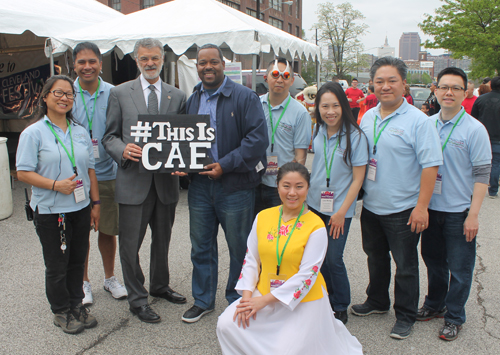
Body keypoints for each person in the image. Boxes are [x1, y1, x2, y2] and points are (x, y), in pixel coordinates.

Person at [216, 162, 363, 354]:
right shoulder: (263, 217)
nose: (292, 192)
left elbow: (307, 276)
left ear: (308, 188)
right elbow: (251, 260)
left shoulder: (316, 226)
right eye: (286, 186)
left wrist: (263, 301)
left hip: (303, 300)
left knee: (287, 350)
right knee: (226, 325)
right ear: (277, 186)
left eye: (299, 186)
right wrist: (246, 301)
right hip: (265, 292)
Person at [352, 57, 443, 340]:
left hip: (404, 209)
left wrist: (422, 207)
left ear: (404, 84)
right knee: (375, 257)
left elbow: (431, 165)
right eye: (380, 81)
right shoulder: (368, 116)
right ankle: (378, 301)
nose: (385, 86)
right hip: (372, 205)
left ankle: (405, 315)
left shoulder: (419, 121)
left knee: (405, 266)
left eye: (392, 81)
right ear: (372, 85)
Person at [102, 38, 187, 324]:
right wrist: (122, 149)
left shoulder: (177, 96)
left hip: (165, 184)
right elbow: (109, 136)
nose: (150, 63)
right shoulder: (120, 93)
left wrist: (184, 161)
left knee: (162, 241)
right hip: (132, 182)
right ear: (136, 61)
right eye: (144, 59)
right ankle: (137, 299)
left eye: (154, 58)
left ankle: (160, 286)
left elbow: (183, 138)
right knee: (129, 246)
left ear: (162, 59)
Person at [182, 44, 268, 323]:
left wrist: (225, 165)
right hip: (200, 187)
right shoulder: (193, 98)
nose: (207, 67)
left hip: (235, 186)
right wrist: (180, 163)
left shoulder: (245, 97)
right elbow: (183, 139)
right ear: (197, 66)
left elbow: (257, 141)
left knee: (239, 247)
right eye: (202, 62)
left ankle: (235, 300)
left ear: (224, 64)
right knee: (201, 245)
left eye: (213, 62)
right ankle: (203, 300)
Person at [16, 75, 100, 334]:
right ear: (45, 97)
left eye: (69, 94)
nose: (64, 98)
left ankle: (77, 304)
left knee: (77, 261)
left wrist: (95, 203)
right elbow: (22, 173)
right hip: (52, 211)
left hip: (80, 207)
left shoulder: (79, 131)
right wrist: (55, 185)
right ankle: (61, 310)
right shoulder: (33, 133)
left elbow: (89, 169)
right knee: (57, 264)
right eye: (58, 93)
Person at [417, 67, 491, 341]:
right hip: (430, 208)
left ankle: (455, 316)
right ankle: (435, 304)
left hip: (458, 212)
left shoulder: (475, 129)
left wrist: (473, 215)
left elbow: (482, 175)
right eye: (444, 87)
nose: (449, 93)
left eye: (455, 88)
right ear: (435, 90)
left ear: (465, 93)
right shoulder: (427, 124)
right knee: (433, 261)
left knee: (460, 269)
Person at [307, 82, 368, 324]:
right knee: (317, 257)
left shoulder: (356, 137)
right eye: (324, 106)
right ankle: (324, 298)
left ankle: (340, 303)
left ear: (343, 105)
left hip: (340, 209)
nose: (330, 111)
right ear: (318, 108)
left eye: (335, 105)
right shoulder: (319, 131)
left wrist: (343, 212)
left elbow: (358, 178)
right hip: (314, 204)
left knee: (333, 257)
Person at [72, 42, 127, 305]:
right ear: (74, 65)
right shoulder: (66, 93)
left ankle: (109, 278)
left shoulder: (114, 93)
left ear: (101, 64)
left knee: (108, 230)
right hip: (77, 177)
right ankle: (83, 283)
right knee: (81, 232)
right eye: (82, 62)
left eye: (92, 61)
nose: (87, 67)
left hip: (109, 173)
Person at [255, 58, 311, 214]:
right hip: (254, 182)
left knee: (279, 232)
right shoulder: (255, 105)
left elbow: (300, 156)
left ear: (292, 80)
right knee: (256, 232)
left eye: (286, 76)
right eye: (275, 74)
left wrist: (289, 185)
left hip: (280, 188)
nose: (280, 79)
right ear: (266, 77)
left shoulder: (300, 113)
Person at [472, 76, 500, 198]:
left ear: (491, 86)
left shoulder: (481, 100)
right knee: (496, 163)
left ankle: (482, 188)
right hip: (498, 137)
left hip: (483, 136)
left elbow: (473, 118)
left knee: (480, 163)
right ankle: (493, 189)